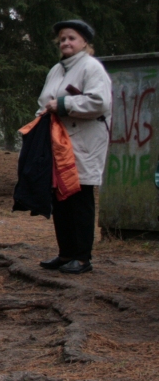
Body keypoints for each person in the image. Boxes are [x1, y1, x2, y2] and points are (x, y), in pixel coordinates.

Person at [36, 20, 112, 275]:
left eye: (71, 38)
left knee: (79, 198)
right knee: (60, 198)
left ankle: (82, 257)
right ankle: (65, 253)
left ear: (84, 42)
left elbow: (99, 102)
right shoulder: (56, 70)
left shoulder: (92, 68)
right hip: (58, 144)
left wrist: (65, 104)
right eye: (62, 39)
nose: (66, 42)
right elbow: (46, 100)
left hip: (84, 144)